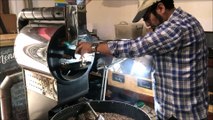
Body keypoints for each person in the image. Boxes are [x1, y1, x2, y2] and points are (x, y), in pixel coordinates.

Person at [76, 0, 209, 119]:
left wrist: (94, 47)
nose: (146, 24)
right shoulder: (185, 19)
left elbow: (135, 47)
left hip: (181, 112)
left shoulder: (176, 27)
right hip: (177, 108)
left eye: (146, 18)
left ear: (161, 8)